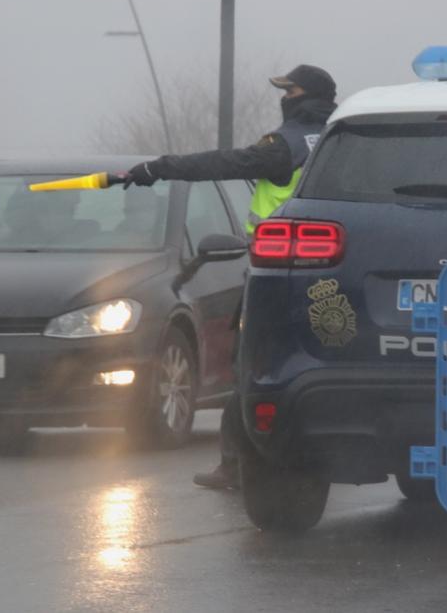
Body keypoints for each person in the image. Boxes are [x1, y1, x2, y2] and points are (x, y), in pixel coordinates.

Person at [125, 64, 338, 490]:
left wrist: (159, 168)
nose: (285, 96)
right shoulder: (339, 140)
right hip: (334, 275)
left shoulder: (283, 146)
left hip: (277, 277)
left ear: (306, 97)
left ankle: (236, 464)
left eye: (290, 90)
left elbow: (222, 163)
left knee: (250, 368)